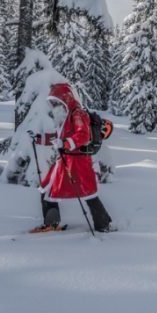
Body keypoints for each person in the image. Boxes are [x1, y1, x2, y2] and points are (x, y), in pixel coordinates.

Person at [30, 83, 113, 233]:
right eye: (53, 102)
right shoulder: (67, 115)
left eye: (57, 101)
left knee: (88, 193)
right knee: (48, 189)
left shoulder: (78, 114)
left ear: (65, 99)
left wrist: (65, 143)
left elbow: (83, 135)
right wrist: (39, 139)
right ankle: (53, 223)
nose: (54, 104)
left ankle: (103, 224)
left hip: (78, 162)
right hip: (67, 161)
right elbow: (59, 137)